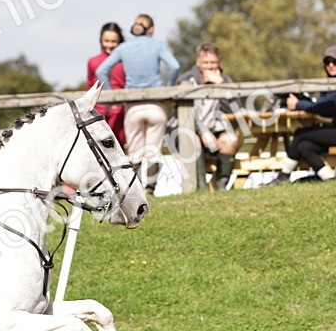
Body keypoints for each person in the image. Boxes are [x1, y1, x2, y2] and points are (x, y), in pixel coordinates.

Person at [95, 13, 179, 196]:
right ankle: (149, 190)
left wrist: (111, 95)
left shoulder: (124, 48)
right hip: (156, 105)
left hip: (132, 107)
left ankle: (136, 191)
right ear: (151, 29)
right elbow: (174, 66)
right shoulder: (157, 45)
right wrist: (169, 90)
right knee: (153, 150)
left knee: (134, 152)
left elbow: (101, 71)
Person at [266, 45, 336, 185]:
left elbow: (326, 107)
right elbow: (325, 104)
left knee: (300, 133)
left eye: (334, 61)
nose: (330, 65)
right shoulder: (335, 80)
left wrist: (298, 105)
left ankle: (282, 177)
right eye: (327, 61)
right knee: (305, 146)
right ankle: (330, 179)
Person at [175, 43, 243, 190]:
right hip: (190, 130)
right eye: (206, 62)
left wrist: (221, 86)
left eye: (213, 62)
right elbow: (183, 115)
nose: (210, 66)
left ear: (219, 63)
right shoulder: (186, 81)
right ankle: (201, 188)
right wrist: (203, 132)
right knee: (193, 140)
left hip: (217, 129)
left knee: (231, 140)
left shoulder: (225, 80)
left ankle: (221, 187)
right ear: (198, 63)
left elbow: (235, 109)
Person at [86, 22, 126, 145]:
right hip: (98, 112)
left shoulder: (125, 61)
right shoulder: (92, 61)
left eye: (114, 41)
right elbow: (90, 86)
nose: (110, 44)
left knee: (118, 145)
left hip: (120, 112)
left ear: (120, 41)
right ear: (101, 40)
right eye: (106, 41)